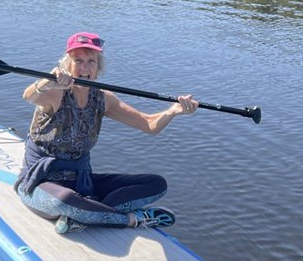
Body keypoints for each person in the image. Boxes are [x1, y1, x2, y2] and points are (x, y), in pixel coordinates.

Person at [15, 31, 198, 234]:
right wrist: (46, 82)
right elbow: (29, 96)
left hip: (82, 183)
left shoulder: (103, 99)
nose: (84, 68)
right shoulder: (56, 92)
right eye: (78, 61)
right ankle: (132, 219)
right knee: (66, 200)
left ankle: (85, 215)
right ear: (67, 64)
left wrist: (173, 111)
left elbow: (149, 125)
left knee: (156, 184)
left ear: (98, 66)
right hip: (41, 182)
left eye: (91, 61)